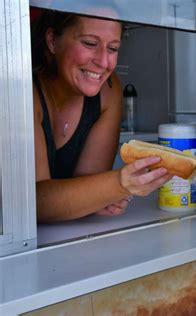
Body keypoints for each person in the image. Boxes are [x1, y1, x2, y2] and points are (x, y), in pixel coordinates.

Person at [31, 11, 172, 222]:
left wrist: (101, 194)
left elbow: (89, 184)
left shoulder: (108, 90)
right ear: (52, 41)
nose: (103, 62)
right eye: (89, 43)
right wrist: (117, 184)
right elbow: (34, 203)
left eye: (113, 48)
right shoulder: (23, 91)